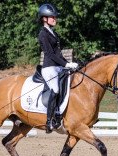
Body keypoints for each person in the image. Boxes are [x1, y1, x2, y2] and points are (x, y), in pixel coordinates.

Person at [38, 3, 78, 133]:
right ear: (45, 18)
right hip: (49, 68)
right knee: (55, 89)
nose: (55, 19)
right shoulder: (43, 34)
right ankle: (49, 121)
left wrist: (69, 64)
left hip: (58, 67)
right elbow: (49, 54)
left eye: (55, 17)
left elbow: (58, 54)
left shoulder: (53, 33)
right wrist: (65, 65)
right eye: (52, 17)